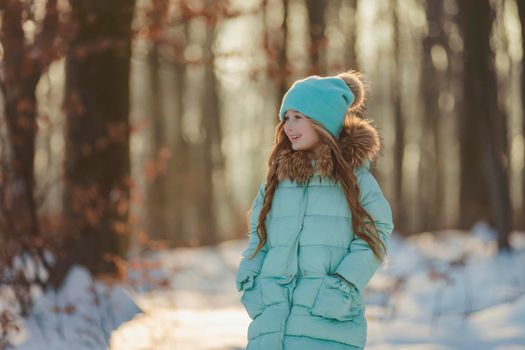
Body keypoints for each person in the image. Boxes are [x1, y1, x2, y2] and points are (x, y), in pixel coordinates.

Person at [235, 70, 395, 350]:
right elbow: (258, 235)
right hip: (272, 326)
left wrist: (344, 284)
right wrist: (251, 281)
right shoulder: (276, 181)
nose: (288, 126)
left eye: (299, 117)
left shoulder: (353, 179)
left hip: (327, 322)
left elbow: (377, 229)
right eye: (286, 117)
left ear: (323, 122)